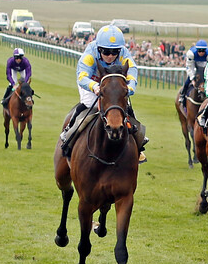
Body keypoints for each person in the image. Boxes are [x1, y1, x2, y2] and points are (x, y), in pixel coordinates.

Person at [59, 25, 148, 162]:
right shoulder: (90, 54)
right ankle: (69, 133)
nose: (110, 56)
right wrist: (94, 87)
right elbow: (82, 77)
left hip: (113, 85)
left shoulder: (124, 53)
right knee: (90, 105)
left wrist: (129, 89)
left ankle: (138, 143)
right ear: (99, 48)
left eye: (114, 52)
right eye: (106, 52)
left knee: (125, 106)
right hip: (92, 82)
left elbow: (132, 71)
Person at [179, 40, 208, 106]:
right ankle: (182, 94)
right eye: (199, 51)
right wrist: (192, 78)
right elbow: (190, 67)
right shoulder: (191, 54)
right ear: (197, 50)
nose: (201, 53)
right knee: (188, 81)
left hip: (205, 67)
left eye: (203, 51)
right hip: (194, 66)